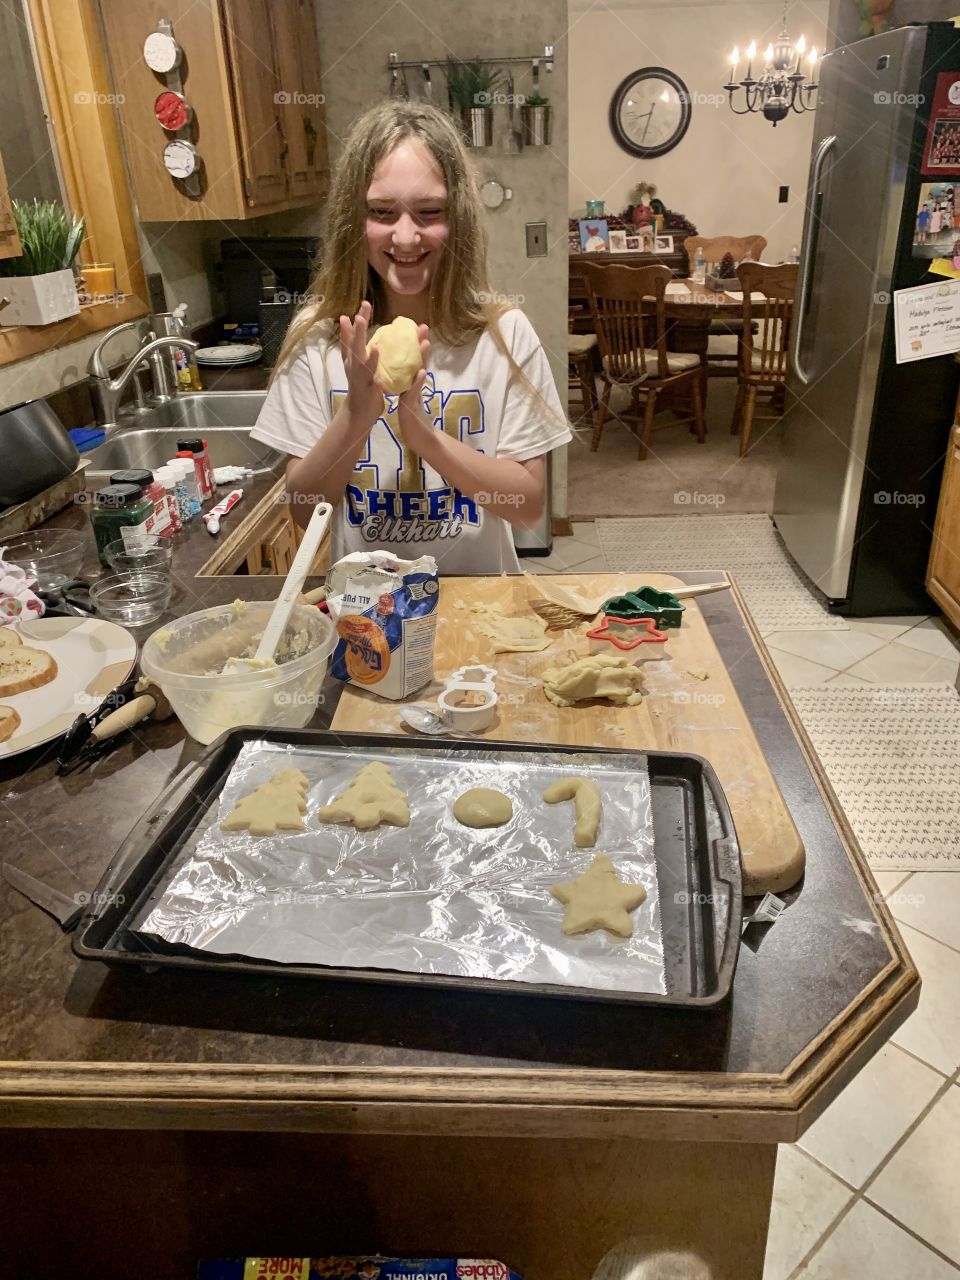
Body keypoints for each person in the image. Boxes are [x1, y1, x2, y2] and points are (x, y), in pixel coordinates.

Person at [250, 100, 571, 575]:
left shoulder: (504, 334)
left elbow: (527, 506)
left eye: (429, 211)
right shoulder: (318, 337)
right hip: (366, 608)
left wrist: (426, 438)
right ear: (352, 220)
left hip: (479, 603)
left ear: (458, 217)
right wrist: (356, 418)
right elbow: (304, 512)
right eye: (382, 212)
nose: (405, 237)